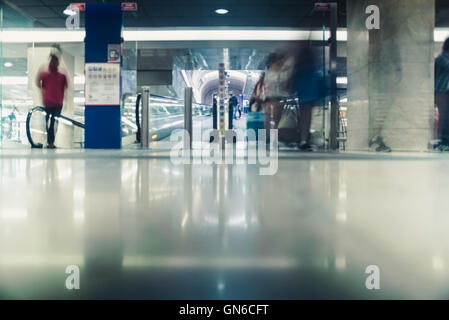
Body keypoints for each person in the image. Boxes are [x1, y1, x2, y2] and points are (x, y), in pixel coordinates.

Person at [36, 52, 68, 149]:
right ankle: (50, 143)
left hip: (51, 103)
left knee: (50, 124)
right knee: (52, 124)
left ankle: (49, 142)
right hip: (54, 103)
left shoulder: (49, 75)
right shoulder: (52, 75)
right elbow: (65, 89)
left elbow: (38, 82)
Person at [435, 38, 449, 151]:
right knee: (444, 117)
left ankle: (443, 139)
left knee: (445, 117)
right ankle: (443, 140)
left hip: (444, 92)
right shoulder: (442, 59)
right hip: (441, 92)